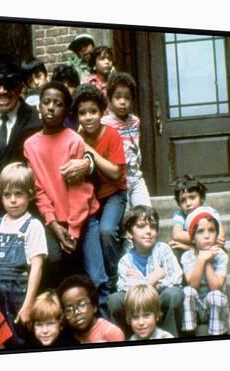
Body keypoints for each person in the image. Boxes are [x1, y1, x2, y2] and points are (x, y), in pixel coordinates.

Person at [0, 53, 91, 285]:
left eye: (9, 85)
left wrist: (87, 162)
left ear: (21, 87)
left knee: (52, 257)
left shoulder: (37, 119)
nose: (2, 91)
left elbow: (73, 139)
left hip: (29, 201)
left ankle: (41, 306)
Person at [23, 81, 110, 312]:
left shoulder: (73, 139)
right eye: (46, 102)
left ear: (66, 110)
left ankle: (106, 326)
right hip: (55, 221)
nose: (51, 108)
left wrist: (72, 230)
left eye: (58, 104)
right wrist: (52, 224)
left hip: (84, 219)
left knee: (97, 277)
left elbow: (79, 192)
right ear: (39, 107)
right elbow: (38, 190)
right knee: (55, 267)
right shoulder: (30, 145)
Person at [0, 162, 48, 347]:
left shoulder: (33, 226)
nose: (13, 200)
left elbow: (37, 268)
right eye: (7, 195)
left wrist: (27, 306)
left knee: (18, 343)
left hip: (19, 300)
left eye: (18, 194)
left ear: (30, 194)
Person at [74, 84, 127, 291]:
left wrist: (87, 148)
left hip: (114, 193)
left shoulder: (112, 135)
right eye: (82, 113)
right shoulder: (76, 137)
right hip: (91, 198)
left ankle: (114, 278)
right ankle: (98, 281)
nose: (88, 117)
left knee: (106, 231)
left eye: (93, 112)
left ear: (102, 112)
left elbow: (115, 172)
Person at [107, 205, 184, 338]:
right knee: (114, 300)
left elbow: (176, 278)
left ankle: (168, 338)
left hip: (160, 302)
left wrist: (140, 282)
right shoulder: (125, 261)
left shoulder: (164, 250)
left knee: (174, 294)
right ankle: (126, 339)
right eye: (141, 226)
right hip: (136, 308)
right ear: (130, 233)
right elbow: (125, 288)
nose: (149, 231)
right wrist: (153, 279)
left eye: (153, 227)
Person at [102, 72, 152, 208]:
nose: (122, 102)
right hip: (117, 183)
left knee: (146, 212)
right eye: (117, 97)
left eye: (127, 98)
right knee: (126, 220)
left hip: (136, 178)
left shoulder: (135, 121)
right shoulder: (104, 123)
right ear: (110, 99)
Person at [181, 209, 229, 336]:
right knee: (187, 291)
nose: (207, 236)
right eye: (200, 231)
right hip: (195, 309)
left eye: (211, 230)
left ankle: (217, 337)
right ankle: (189, 334)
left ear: (216, 234)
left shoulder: (221, 255)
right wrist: (201, 259)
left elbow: (216, 287)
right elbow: (192, 286)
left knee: (215, 295)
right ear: (193, 239)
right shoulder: (187, 256)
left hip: (216, 308)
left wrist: (207, 261)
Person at [169, 174, 226, 262]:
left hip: (212, 254)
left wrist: (188, 245)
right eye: (183, 200)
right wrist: (207, 237)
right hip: (192, 259)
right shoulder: (180, 215)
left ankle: (190, 248)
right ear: (178, 204)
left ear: (201, 198)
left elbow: (220, 238)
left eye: (192, 197)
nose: (188, 203)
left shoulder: (210, 212)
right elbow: (177, 235)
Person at [58, 275, 124, 344]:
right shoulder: (73, 336)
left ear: (94, 305)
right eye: (69, 310)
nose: (76, 312)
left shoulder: (111, 332)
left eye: (82, 305)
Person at [51, 64, 81, 130]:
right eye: (61, 85)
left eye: (70, 85)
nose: (66, 89)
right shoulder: (50, 112)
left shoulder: (81, 110)